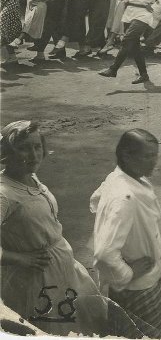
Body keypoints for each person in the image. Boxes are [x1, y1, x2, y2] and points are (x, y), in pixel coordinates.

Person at [1, 121, 106, 335]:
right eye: (23, 148)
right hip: (35, 282)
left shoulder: (31, 177)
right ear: (7, 153)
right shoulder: (4, 193)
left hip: (64, 272)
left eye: (37, 146)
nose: (33, 154)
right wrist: (19, 258)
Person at [90, 129, 161, 340]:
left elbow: (95, 199)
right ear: (127, 155)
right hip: (137, 289)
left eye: (155, 155)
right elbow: (104, 253)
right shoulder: (125, 197)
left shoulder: (119, 178)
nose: (154, 161)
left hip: (152, 280)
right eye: (148, 156)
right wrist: (128, 272)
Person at [98, 0, 161, 84]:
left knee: (127, 40)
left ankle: (113, 69)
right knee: (134, 46)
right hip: (129, 13)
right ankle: (144, 74)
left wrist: (144, 1)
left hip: (143, 14)